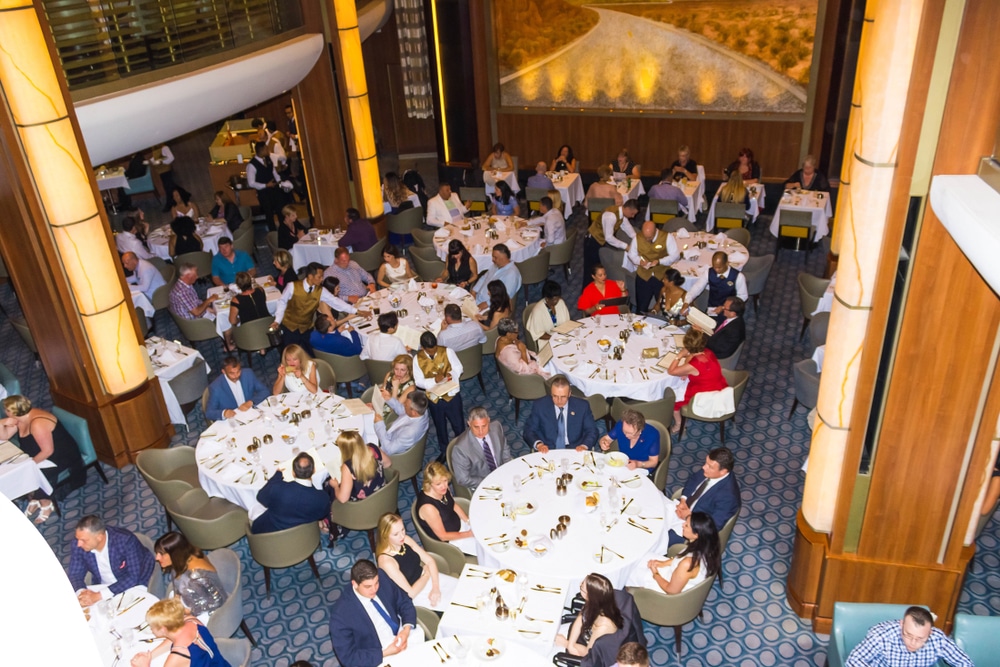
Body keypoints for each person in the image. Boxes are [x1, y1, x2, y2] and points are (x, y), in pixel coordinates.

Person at [1, 395, 85, 522]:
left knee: (30, 473)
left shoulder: (38, 424)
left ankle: (46, 502)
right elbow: (4, 436)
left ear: (12, 412)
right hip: (39, 455)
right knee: (16, 468)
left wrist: (29, 465)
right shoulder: (19, 419)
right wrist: (2, 423)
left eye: (6, 410)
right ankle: (36, 498)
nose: (4, 412)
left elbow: (48, 451)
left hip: (60, 457)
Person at [329, 559, 418, 667]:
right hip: (377, 656)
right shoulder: (340, 615)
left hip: (403, 633)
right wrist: (385, 653)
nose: (374, 589)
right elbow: (349, 658)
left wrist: (406, 630)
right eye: (368, 586)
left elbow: (404, 601)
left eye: (376, 583)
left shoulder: (381, 576)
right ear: (355, 584)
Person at [67, 515, 155, 607]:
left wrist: (99, 595)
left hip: (134, 584)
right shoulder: (77, 545)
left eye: (84, 540)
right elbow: (75, 574)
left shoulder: (125, 540)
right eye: (77, 539)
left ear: (99, 537)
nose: (79, 544)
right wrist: (82, 594)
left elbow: (133, 577)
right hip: (103, 587)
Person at [271, 262, 360, 352]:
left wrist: (355, 311)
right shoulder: (292, 286)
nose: (322, 279)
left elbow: (335, 301)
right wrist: (277, 320)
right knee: (288, 353)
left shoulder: (320, 290)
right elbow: (282, 302)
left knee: (309, 354)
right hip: (289, 327)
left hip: (307, 328)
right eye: (319, 277)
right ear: (310, 276)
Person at [376, 512, 456, 610]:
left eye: (403, 529)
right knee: (454, 608)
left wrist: (435, 587)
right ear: (385, 536)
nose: (402, 536)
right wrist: (426, 575)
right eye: (396, 534)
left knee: (463, 589)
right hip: (416, 594)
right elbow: (410, 594)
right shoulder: (386, 561)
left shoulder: (406, 540)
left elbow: (430, 561)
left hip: (426, 578)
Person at [845, 606, 972, 667]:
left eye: (920, 639)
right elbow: (853, 660)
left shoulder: (938, 640)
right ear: (902, 624)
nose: (912, 642)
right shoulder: (882, 636)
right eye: (908, 635)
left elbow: (964, 662)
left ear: (930, 633)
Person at [665, 447, 741, 547]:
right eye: (706, 463)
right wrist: (683, 500)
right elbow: (693, 480)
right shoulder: (710, 471)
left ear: (723, 471)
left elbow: (713, 526)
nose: (704, 467)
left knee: (661, 538)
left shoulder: (729, 497)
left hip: (694, 527)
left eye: (710, 466)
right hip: (683, 507)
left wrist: (688, 517)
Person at [629, 511, 721, 594]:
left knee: (629, 571)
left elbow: (671, 591)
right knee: (640, 554)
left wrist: (655, 574)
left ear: (696, 535)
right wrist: (662, 563)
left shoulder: (688, 563)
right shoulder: (705, 547)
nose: (683, 525)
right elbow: (679, 559)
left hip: (667, 588)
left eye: (686, 525)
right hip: (675, 572)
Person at [129, 597, 231, 667]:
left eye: (152, 626)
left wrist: (145, 665)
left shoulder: (176, 657)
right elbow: (173, 640)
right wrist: (150, 655)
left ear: (163, 629)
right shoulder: (191, 620)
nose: (151, 629)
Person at [251, 453, 334, 533]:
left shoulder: (277, 488)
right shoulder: (322, 498)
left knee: (254, 508)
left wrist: (277, 475)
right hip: (303, 536)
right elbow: (322, 514)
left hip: (268, 533)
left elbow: (260, 497)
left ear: (293, 473)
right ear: (314, 470)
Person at [413, 331, 464, 459]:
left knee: (458, 423)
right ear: (423, 348)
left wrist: (451, 374)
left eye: (435, 349)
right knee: (440, 425)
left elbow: (459, 367)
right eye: (430, 351)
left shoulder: (447, 352)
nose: (433, 352)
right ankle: (444, 450)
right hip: (434, 397)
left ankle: (463, 446)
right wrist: (433, 381)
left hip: (451, 395)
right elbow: (418, 381)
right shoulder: (417, 359)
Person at [152, 532, 227, 617]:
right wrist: (177, 596)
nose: (157, 558)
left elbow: (217, 601)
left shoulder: (196, 576)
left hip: (208, 612)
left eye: (161, 554)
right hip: (191, 598)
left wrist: (189, 611)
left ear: (175, 554)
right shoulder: (183, 558)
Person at [668, 329, 728, 429]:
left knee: (674, 401)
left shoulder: (695, 364)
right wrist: (687, 369)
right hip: (718, 385)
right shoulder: (708, 352)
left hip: (706, 393)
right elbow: (690, 359)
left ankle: (679, 424)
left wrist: (679, 355)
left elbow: (671, 371)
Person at [555, 573, 624, 658]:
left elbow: (588, 653)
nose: (580, 584)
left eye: (582, 587)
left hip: (584, 650)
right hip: (580, 636)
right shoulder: (595, 602)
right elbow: (581, 618)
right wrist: (570, 644)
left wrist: (565, 643)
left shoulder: (604, 625)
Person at [524, 375, 597, 453]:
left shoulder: (582, 406)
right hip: (548, 449)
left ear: (569, 393)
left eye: (563, 397)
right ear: (551, 393)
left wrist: (584, 446)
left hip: (575, 449)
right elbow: (529, 430)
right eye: (555, 396)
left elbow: (592, 430)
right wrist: (539, 444)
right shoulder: (540, 405)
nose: (559, 401)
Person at [415, 461, 476, 552]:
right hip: (449, 542)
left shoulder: (443, 489)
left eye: (445, 480)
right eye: (438, 484)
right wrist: (469, 534)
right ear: (429, 484)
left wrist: (468, 521)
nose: (444, 486)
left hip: (460, 527)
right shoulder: (428, 508)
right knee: (484, 548)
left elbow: (453, 505)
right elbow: (443, 536)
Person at [451, 406, 512, 490]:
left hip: (501, 472)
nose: (481, 431)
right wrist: (488, 481)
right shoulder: (460, 449)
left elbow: (505, 450)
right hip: (481, 484)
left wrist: (508, 468)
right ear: (469, 424)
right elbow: (463, 479)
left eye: (484, 426)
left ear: (488, 421)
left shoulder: (496, 427)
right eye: (476, 427)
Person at [627, 220, 680, 314]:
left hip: (662, 277)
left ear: (656, 230)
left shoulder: (667, 237)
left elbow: (675, 256)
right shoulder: (637, 238)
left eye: (649, 237)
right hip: (643, 275)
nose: (647, 239)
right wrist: (639, 261)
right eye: (645, 237)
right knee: (641, 308)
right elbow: (631, 254)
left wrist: (660, 261)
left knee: (664, 308)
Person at [585, 198, 638, 287]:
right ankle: (588, 291)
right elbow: (609, 238)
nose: (633, 216)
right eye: (632, 213)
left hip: (601, 241)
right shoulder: (611, 216)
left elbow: (629, 229)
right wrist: (626, 246)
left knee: (600, 269)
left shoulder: (621, 215)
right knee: (592, 270)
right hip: (592, 241)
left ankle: (600, 289)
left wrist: (638, 240)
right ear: (628, 209)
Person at [684, 252, 748, 322]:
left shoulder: (738, 277)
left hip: (729, 311)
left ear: (727, 263)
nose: (716, 270)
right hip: (712, 308)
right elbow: (697, 287)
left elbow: (743, 296)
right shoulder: (709, 272)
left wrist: (724, 307)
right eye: (714, 267)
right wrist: (687, 302)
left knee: (721, 328)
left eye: (719, 267)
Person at [204, 356, 270, 421]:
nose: (236, 376)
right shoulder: (216, 387)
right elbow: (209, 413)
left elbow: (265, 391)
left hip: (250, 413)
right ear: (224, 371)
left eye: (238, 371)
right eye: (232, 373)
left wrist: (251, 402)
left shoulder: (248, 374)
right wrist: (224, 413)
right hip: (233, 420)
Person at [333, 431, 390, 503]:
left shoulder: (348, 466)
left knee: (329, 489)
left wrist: (335, 486)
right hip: (383, 494)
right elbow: (388, 463)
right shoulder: (373, 448)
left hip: (362, 505)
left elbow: (343, 499)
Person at [374, 390, 430, 456]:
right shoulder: (422, 411)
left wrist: (379, 425)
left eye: (406, 405)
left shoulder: (410, 433)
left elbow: (388, 450)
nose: (404, 404)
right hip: (391, 434)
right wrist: (389, 399)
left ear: (414, 412)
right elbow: (403, 411)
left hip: (388, 446)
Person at [246, 142, 287, 229]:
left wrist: (279, 181)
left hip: (274, 189)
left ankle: (284, 229)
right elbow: (251, 183)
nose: (268, 150)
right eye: (266, 149)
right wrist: (265, 185)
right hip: (263, 193)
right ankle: (273, 231)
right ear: (261, 151)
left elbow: (273, 171)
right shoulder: (252, 165)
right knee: (269, 214)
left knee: (281, 210)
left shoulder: (268, 159)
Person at [378, 355, 418, 420]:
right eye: (396, 369)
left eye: (402, 370)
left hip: (391, 415)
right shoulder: (389, 375)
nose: (398, 373)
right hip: (380, 406)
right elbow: (381, 392)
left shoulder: (411, 387)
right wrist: (374, 404)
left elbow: (395, 408)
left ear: (408, 370)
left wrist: (395, 388)